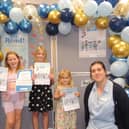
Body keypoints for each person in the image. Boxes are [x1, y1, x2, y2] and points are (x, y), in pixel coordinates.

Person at [84, 61, 129, 129]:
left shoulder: (117, 90)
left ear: (105, 72)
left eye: (99, 69)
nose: (96, 73)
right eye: (93, 71)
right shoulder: (89, 89)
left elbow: (126, 114)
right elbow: (87, 113)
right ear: (91, 75)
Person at [28, 45, 54, 129]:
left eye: (42, 54)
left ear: (45, 55)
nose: (40, 55)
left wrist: (52, 78)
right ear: (35, 54)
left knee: (45, 113)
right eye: (39, 53)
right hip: (35, 91)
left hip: (45, 91)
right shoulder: (32, 67)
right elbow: (28, 83)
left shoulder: (49, 67)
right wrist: (31, 79)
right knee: (35, 113)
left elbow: (51, 83)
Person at [1, 51, 25, 129]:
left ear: (18, 59)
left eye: (14, 59)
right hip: (7, 99)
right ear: (7, 61)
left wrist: (32, 79)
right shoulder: (3, 72)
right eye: (10, 59)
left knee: (17, 118)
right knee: (10, 121)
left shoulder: (23, 71)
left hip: (19, 98)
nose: (12, 61)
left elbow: (27, 84)